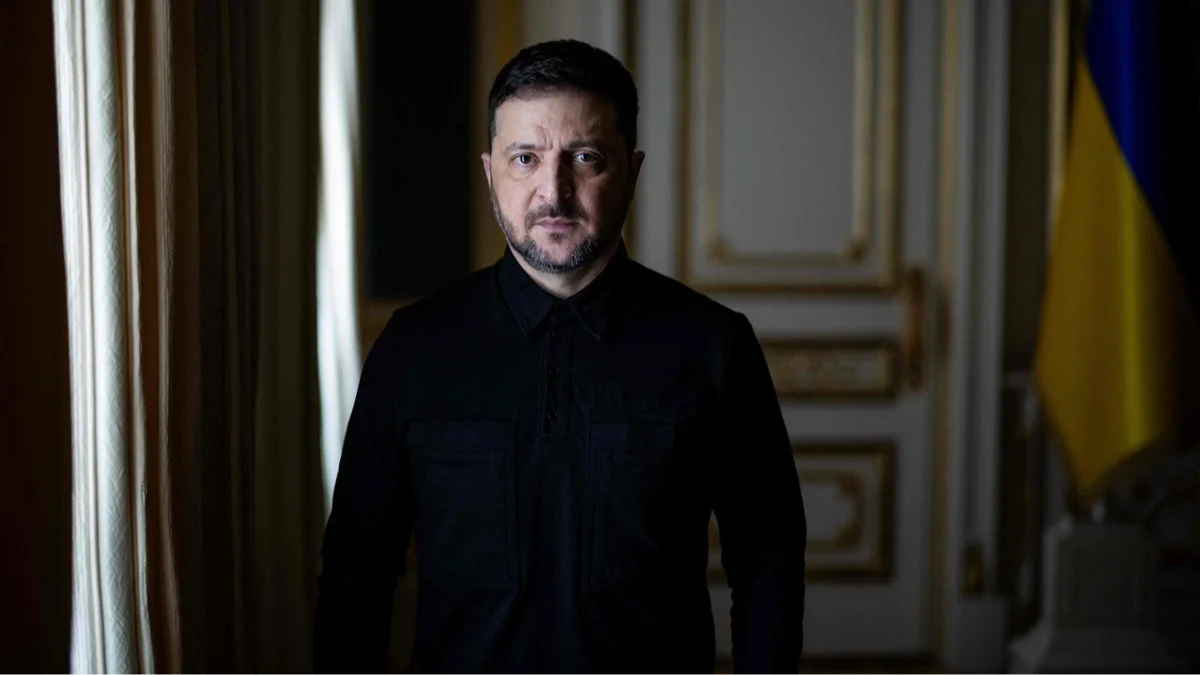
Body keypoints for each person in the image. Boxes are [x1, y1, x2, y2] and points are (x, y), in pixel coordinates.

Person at [314, 39, 806, 673]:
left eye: (585, 157)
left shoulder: (714, 346)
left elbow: (768, 565)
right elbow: (356, 572)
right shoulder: (412, 348)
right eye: (525, 158)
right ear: (490, 172)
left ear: (632, 171)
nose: (554, 190)